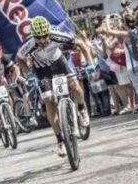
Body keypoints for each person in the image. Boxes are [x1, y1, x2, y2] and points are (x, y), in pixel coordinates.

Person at [13, 17, 93, 158]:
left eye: (45, 36)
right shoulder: (29, 44)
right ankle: (60, 141)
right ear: (34, 36)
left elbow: (81, 43)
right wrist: (29, 73)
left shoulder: (56, 36)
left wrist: (90, 63)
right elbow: (19, 59)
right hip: (42, 71)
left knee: (75, 86)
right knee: (50, 101)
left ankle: (82, 110)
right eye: (39, 38)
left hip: (59, 64)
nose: (43, 40)